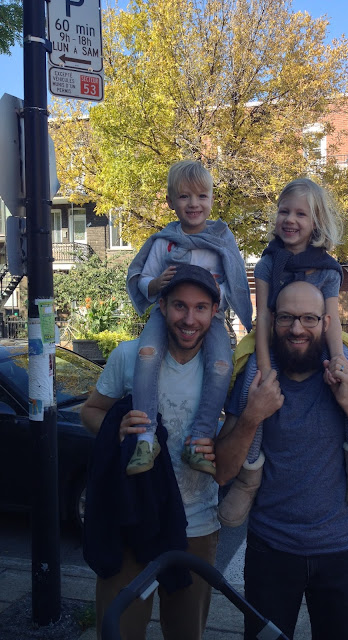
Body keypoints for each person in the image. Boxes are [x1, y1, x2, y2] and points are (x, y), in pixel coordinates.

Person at [216, 281, 348, 640]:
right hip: (270, 552)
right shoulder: (255, 381)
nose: (297, 328)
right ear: (273, 322)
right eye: (286, 317)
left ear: (325, 323)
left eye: (309, 318)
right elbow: (223, 472)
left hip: (341, 553)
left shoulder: (344, 377)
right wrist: (252, 416)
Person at [218, 178, 348, 527]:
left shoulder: (328, 268)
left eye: (300, 214)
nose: (290, 219)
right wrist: (264, 368)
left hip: (322, 340)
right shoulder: (268, 263)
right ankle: (247, 480)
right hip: (272, 340)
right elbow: (264, 318)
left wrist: (339, 361)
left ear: (316, 222)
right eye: (284, 211)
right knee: (250, 389)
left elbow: (331, 321)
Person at [81, 265, 224, 640]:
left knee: (186, 634)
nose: (189, 319)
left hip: (197, 524)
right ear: (162, 306)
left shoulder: (224, 369)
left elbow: (237, 435)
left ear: (214, 311)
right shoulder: (129, 356)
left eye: (200, 307)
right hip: (131, 519)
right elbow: (90, 411)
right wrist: (115, 429)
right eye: (179, 306)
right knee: (120, 632)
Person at [126, 159, 252, 476]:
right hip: (166, 313)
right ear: (170, 202)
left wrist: (217, 294)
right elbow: (143, 278)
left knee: (222, 365)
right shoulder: (163, 242)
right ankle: (145, 438)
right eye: (184, 196)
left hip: (211, 317)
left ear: (212, 199)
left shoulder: (222, 239)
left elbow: (234, 281)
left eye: (201, 196)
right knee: (146, 353)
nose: (193, 203)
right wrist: (155, 284)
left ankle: (199, 439)